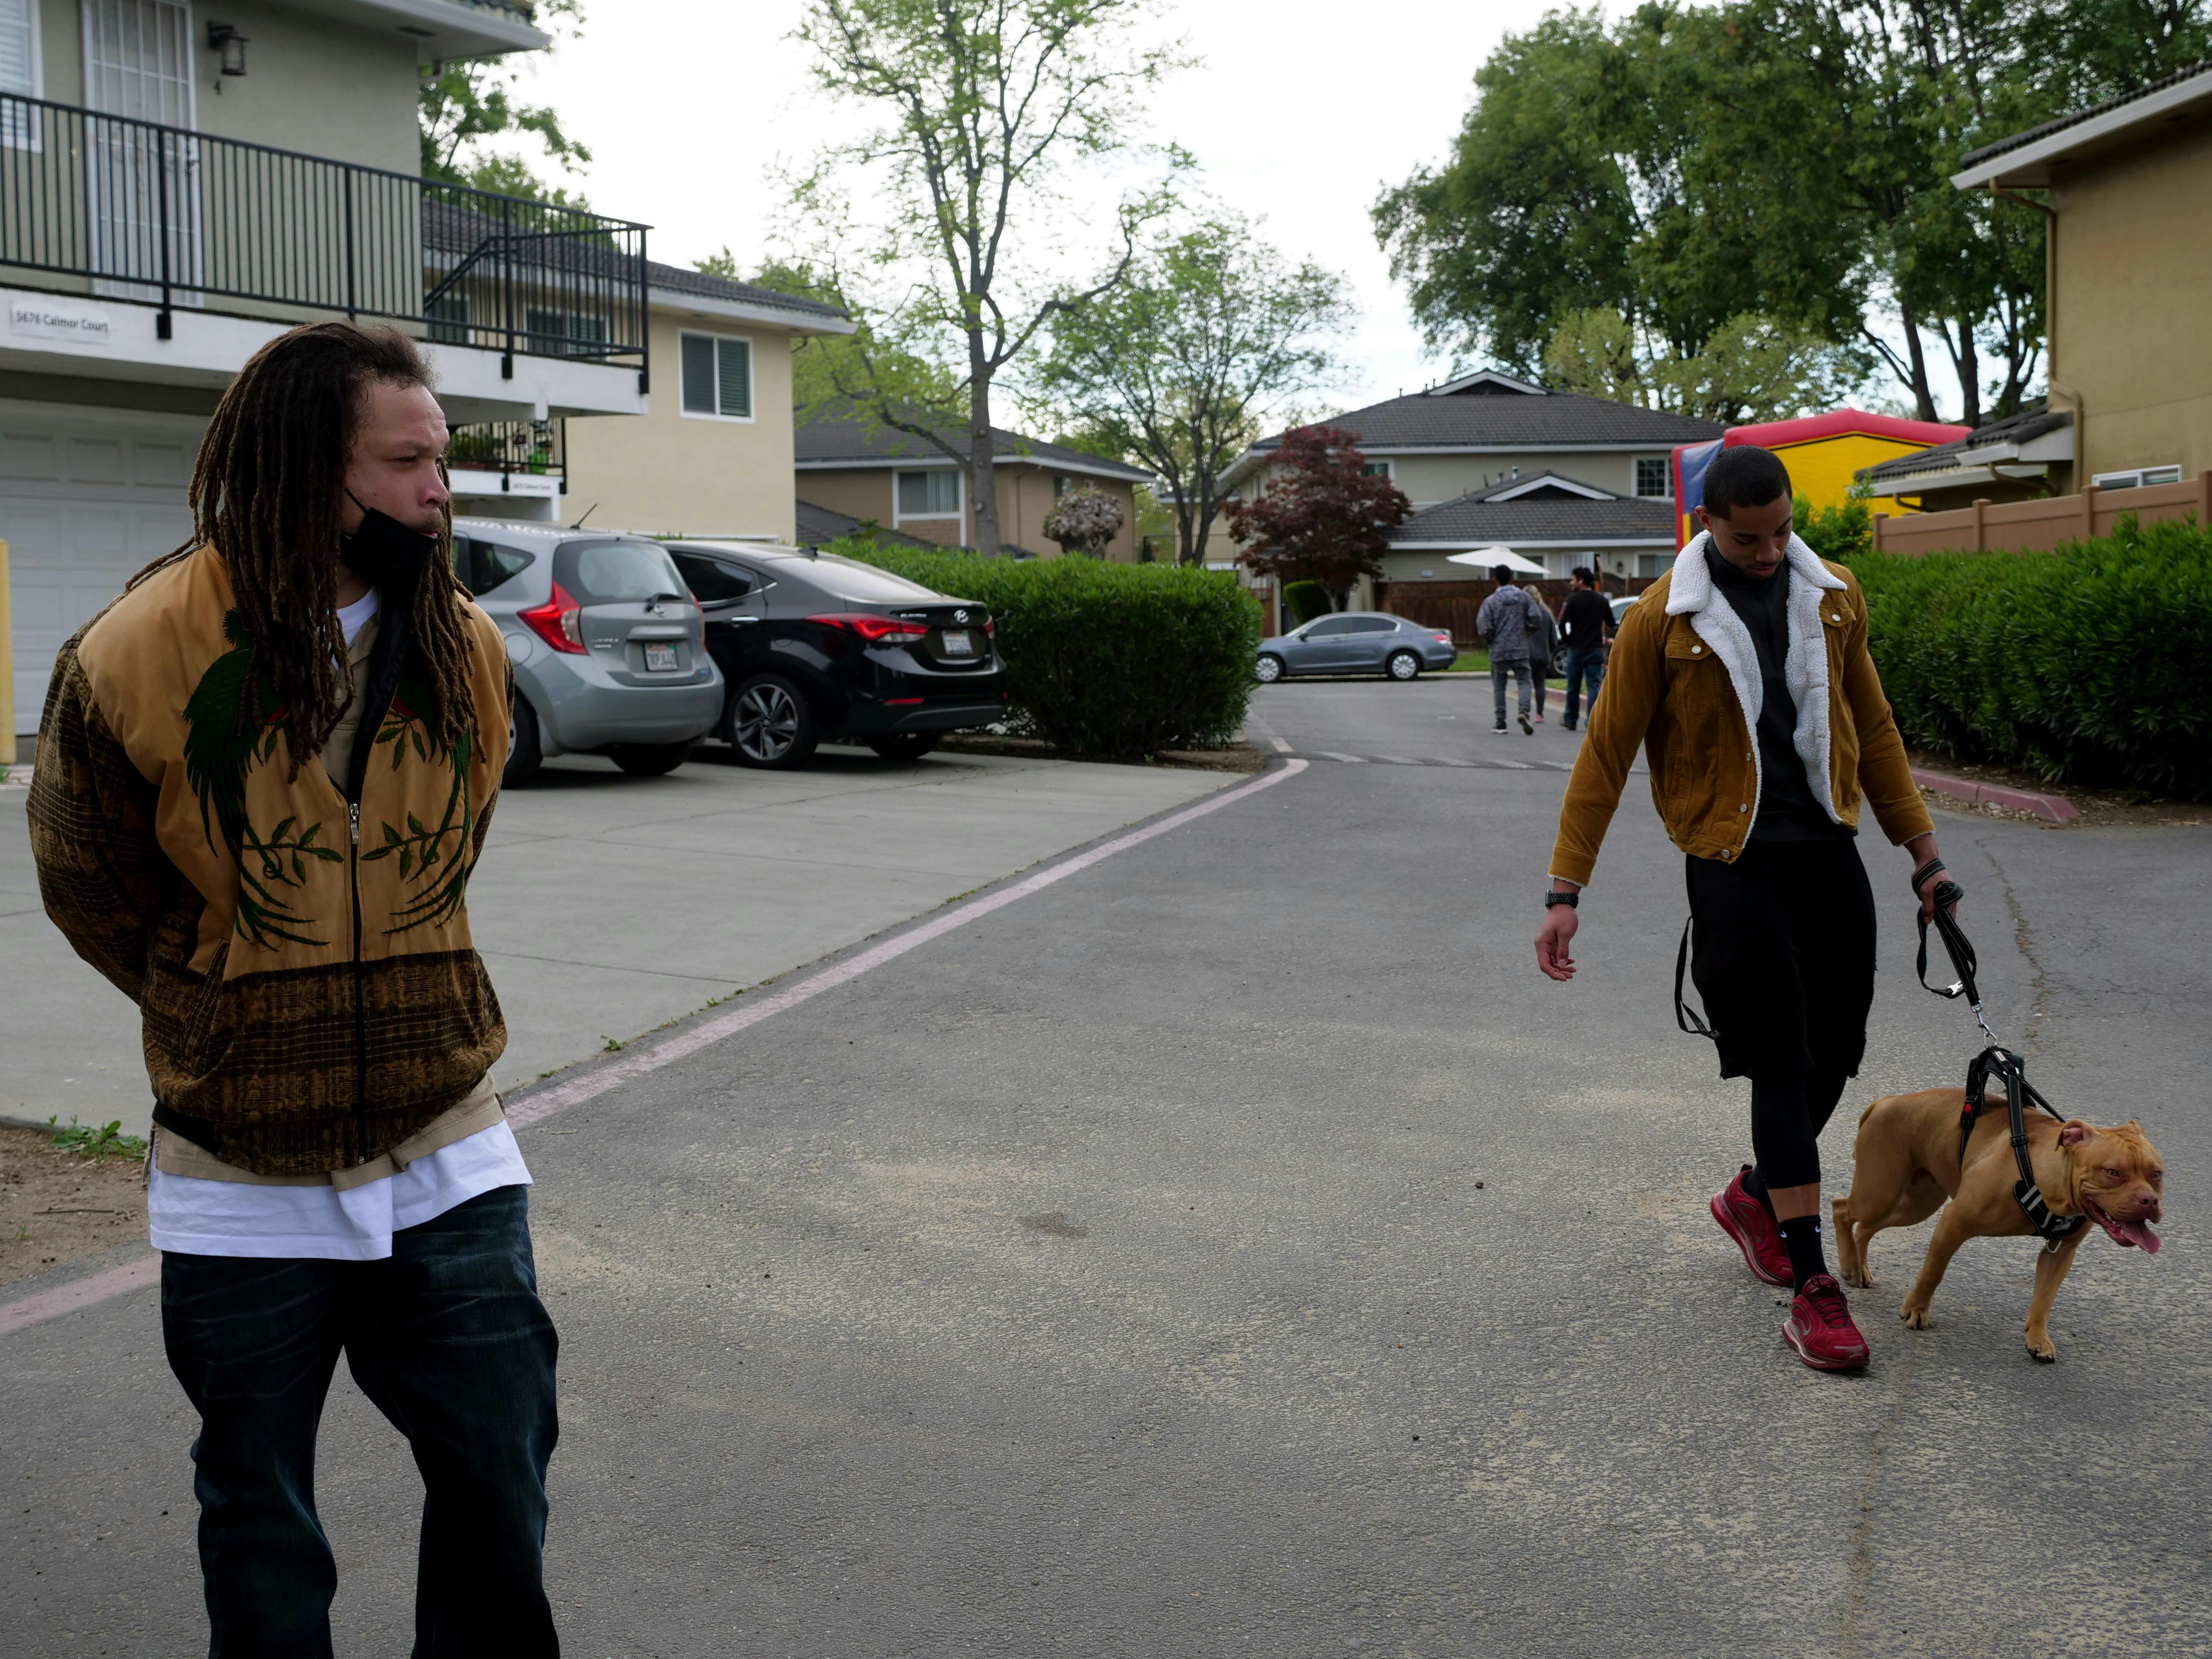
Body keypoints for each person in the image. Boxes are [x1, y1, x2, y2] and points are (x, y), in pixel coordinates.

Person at [28, 322, 556, 1651]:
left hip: (447, 1139)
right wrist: (225, 991)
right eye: (412, 462)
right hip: (240, 1171)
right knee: (258, 1503)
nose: (444, 490)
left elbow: (451, 844)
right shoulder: (131, 654)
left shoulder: (462, 646)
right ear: (317, 474)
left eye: (444, 461)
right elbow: (89, 883)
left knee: (501, 1456)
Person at [1531, 445, 1955, 1373]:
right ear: (1707, 525)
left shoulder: (1835, 595)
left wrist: (1924, 859)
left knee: (1836, 1051)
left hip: (1827, 851)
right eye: (1746, 537)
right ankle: (1814, 1291)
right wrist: (1567, 891)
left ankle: (1756, 1195)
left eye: (1781, 532)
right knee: (1782, 1060)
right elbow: (1603, 757)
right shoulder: (1661, 621)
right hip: (1733, 862)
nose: (1767, 553)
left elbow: (1873, 728)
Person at [1476, 563, 1542, 735]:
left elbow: (1483, 627)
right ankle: (1524, 711)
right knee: (1524, 681)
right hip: (1520, 647)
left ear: (1494, 580)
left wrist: (1492, 639)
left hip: (1499, 650)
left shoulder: (1490, 602)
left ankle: (1501, 721)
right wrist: (1526, 631)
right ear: (1512, 578)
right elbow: (1537, 618)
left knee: (1499, 686)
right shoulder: (1524, 598)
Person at [1557, 566, 1612, 731]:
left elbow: (1561, 623)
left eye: (1573, 579)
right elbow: (1611, 622)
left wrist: (1568, 640)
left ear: (1581, 581)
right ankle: (1592, 721)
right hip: (1595, 648)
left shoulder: (1572, 600)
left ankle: (1571, 719)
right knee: (1594, 685)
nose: (1571, 582)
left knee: (1573, 686)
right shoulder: (1601, 601)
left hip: (1577, 648)